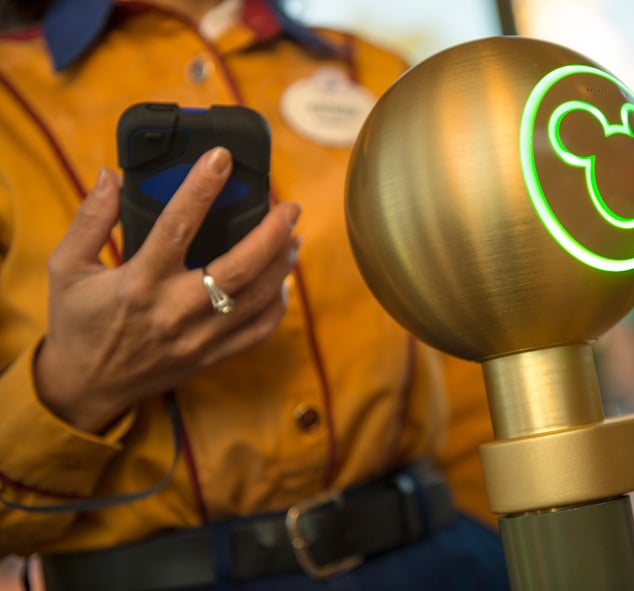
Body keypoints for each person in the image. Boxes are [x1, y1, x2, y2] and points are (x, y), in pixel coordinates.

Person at [0, 1, 509, 589]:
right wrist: (71, 386)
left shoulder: (375, 71)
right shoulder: (11, 100)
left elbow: (465, 359)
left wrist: (509, 547)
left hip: (443, 561)